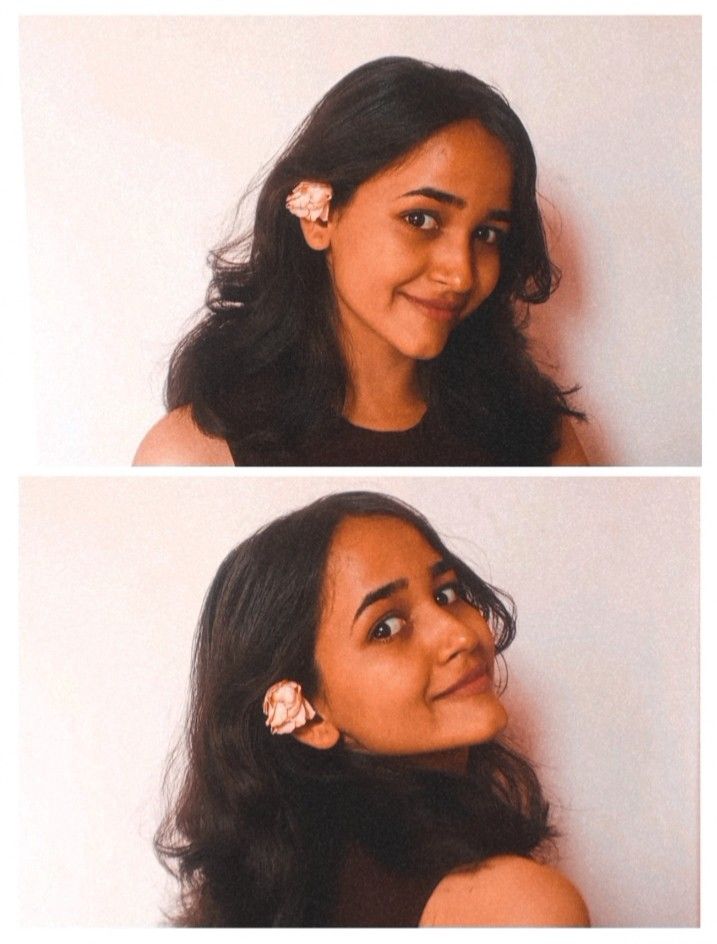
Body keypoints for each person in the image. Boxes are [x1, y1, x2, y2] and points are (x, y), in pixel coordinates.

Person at [155, 491, 590, 926]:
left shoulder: (291, 899)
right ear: (307, 714)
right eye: (386, 627)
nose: (459, 635)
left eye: (446, 593)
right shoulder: (516, 908)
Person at [135, 57, 587, 466]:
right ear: (319, 215)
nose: (461, 273)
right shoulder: (195, 458)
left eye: (487, 235)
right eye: (421, 218)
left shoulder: (535, 436)